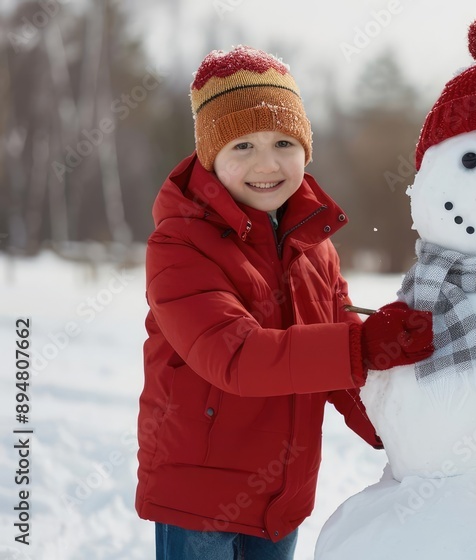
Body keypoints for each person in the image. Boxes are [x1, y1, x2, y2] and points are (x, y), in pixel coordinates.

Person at [137, 45, 433, 560]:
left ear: (306, 149)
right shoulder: (180, 245)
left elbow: (341, 362)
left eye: (283, 142)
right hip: (199, 498)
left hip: (281, 495)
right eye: (242, 147)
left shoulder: (312, 244)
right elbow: (236, 355)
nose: (267, 164)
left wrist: (403, 434)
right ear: (211, 158)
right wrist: (362, 344)